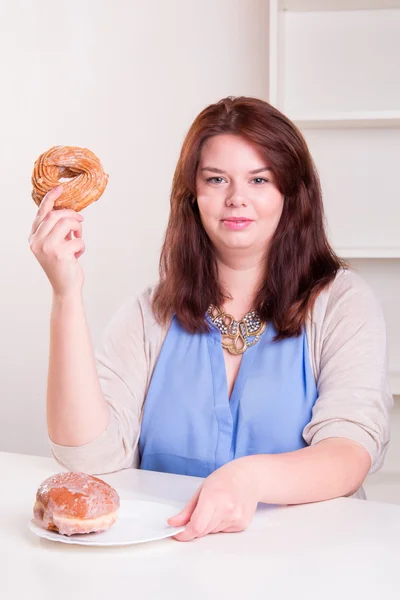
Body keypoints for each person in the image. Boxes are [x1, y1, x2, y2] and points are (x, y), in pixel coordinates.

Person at [29, 96, 393, 542]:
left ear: (291, 193)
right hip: (173, 564)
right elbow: (87, 456)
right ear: (192, 195)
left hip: (311, 563)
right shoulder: (150, 314)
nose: (237, 198)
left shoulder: (342, 303)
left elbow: (350, 451)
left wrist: (250, 478)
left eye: (259, 179)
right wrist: (66, 293)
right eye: (216, 179)